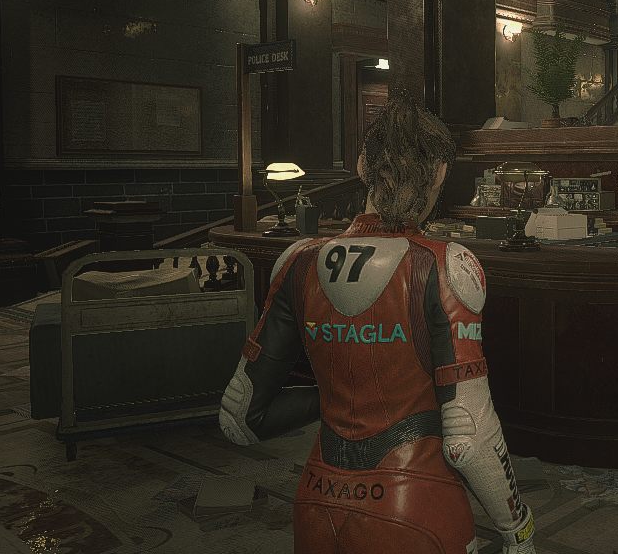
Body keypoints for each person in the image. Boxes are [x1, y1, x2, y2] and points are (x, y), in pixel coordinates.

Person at [218, 96, 536, 554]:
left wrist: (341, 398)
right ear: (440, 173)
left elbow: (240, 419)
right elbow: (468, 437)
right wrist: (518, 528)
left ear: (363, 166)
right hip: (417, 509)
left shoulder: (297, 260)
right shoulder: (446, 265)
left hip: (317, 502)